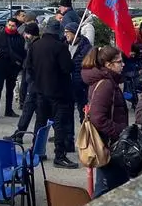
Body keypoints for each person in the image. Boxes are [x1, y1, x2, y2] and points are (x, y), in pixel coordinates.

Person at [81, 45, 130, 196]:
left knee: (110, 186)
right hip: (109, 144)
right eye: (119, 62)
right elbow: (97, 117)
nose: (123, 64)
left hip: (109, 142)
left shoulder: (108, 81)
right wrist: (120, 131)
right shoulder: (106, 84)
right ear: (108, 65)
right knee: (106, 188)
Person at [32, 19, 78, 169]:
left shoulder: (35, 45)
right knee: (59, 125)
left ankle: (37, 151)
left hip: (40, 90)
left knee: (40, 122)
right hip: (58, 92)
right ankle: (59, 155)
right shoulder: (60, 47)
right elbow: (67, 68)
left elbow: (28, 66)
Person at [5, 22, 41, 144]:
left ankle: (21, 135)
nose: (24, 36)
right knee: (33, 112)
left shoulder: (34, 47)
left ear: (30, 34)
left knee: (33, 112)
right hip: (36, 85)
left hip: (34, 86)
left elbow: (28, 67)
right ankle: (20, 135)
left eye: (26, 33)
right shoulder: (34, 45)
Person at [0, 17, 25, 119]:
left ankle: (8, 110)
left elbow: (22, 53)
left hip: (13, 67)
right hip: (0, 65)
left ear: (16, 27)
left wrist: (20, 64)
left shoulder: (19, 38)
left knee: (10, 90)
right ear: (6, 24)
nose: (11, 27)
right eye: (9, 25)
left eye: (13, 26)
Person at [65, 22, 92, 125]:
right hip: (67, 85)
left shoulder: (86, 47)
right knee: (67, 112)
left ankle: (85, 132)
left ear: (75, 33)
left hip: (80, 84)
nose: (65, 34)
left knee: (83, 111)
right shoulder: (64, 45)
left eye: (68, 32)